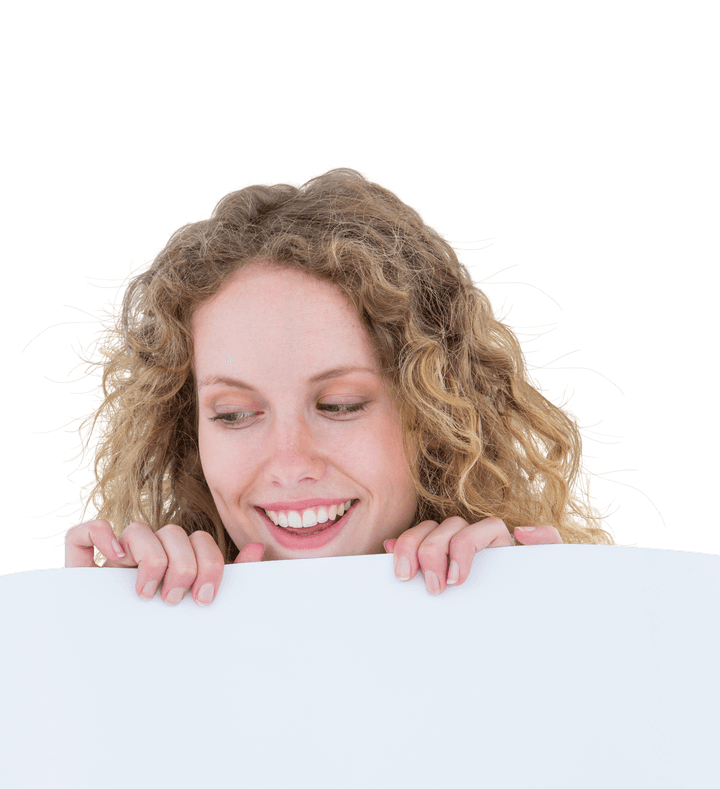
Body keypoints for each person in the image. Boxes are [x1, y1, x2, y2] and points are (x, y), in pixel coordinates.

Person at [61, 166, 616, 606]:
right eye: (232, 413)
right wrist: (96, 641)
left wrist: (552, 618)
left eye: (339, 405)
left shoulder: (538, 604)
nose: (289, 462)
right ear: (189, 436)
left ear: (438, 413)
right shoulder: (137, 626)